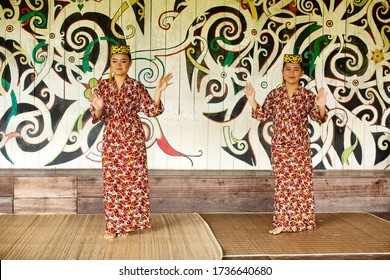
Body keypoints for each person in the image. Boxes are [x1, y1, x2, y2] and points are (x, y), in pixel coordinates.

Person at [89, 45, 173, 239]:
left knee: (133, 182)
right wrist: (100, 108)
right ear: (110, 64)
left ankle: (127, 224)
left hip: (133, 140)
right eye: (114, 61)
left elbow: (152, 110)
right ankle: (112, 225)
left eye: (123, 61)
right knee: (112, 182)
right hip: (112, 140)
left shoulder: (136, 86)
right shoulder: (101, 86)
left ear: (130, 64)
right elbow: (96, 116)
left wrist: (158, 92)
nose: (119, 65)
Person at [244, 54, 327, 235]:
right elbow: (262, 114)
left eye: (296, 69)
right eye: (288, 69)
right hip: (280, 147)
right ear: (282, 72)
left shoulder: (307, 95)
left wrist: (321, 105)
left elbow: (319, 118)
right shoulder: (275, 94)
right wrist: (252, 98)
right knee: (284, 184)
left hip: (301, 147)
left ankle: (304, 221)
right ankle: (283, 222)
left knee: (302, 183)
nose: (291, 73)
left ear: (302, 73)